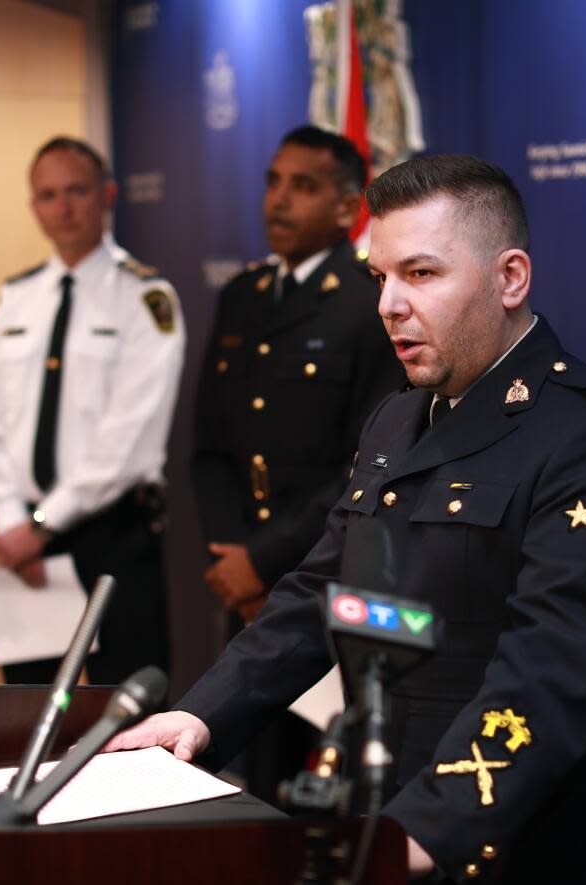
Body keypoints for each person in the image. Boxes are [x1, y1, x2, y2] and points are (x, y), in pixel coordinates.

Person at [107, 154, 586, 882]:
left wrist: (420, 833)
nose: (388, 305)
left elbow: (550, 672)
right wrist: (200, 716)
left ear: (510, 278)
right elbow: (325, 591)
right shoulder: (398, 418)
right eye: (379, 277)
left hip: (505, 843)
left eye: (421, 274)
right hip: (376, 813)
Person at [191, 125, 403, 803]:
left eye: (303, 186)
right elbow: (211, 447)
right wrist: (233, 556)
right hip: (245, 586)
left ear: (348, 209)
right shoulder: (244, 294)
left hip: (329, 581)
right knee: (254, 778)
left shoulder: (369, 301)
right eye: (273, 182)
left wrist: (263, 558)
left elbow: (367, 461)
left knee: (325, 791)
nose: (279, 201)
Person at [0, 136, 184, 687]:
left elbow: (131, 434)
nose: (63, 208)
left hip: (113, 534)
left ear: (108, 195)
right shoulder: (15, 297)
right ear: (34, 206)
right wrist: (13, 519)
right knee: (26, 712)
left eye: (77, 191)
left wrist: (43, 524)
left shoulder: (145, 296)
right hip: (25, 540)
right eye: (48, 195)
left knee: (126, 712)